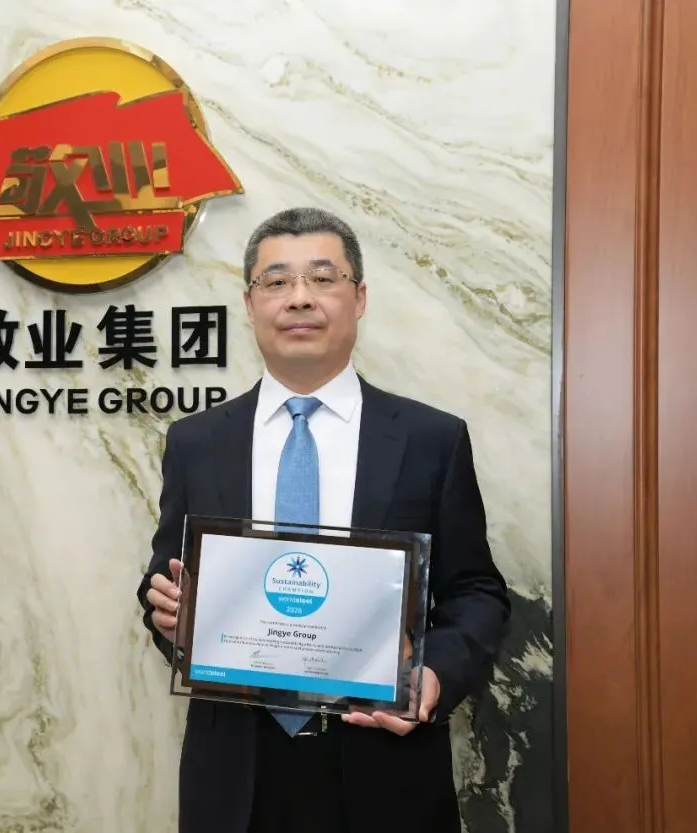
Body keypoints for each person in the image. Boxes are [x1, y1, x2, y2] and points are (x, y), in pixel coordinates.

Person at [135, 207, 510, 833]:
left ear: (359, 298)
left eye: (322, 278)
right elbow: (166, 582)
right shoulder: (197, 442)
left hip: (385, 766)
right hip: (236, 771)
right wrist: (169, 614)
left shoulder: (430, 439)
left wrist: (434, 675)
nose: (299, 298)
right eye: (276, 281)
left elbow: (475, 590)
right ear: (250, 304)